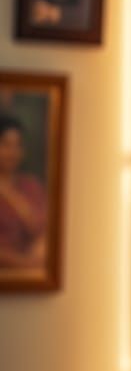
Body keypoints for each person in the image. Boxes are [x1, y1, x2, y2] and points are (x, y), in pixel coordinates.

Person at [0, 115, 47, 270]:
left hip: (35, 277)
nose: (12, 152)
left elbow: (45, 229)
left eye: (17, 145)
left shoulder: (31, 186)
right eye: (5, 144)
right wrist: (23, 263)